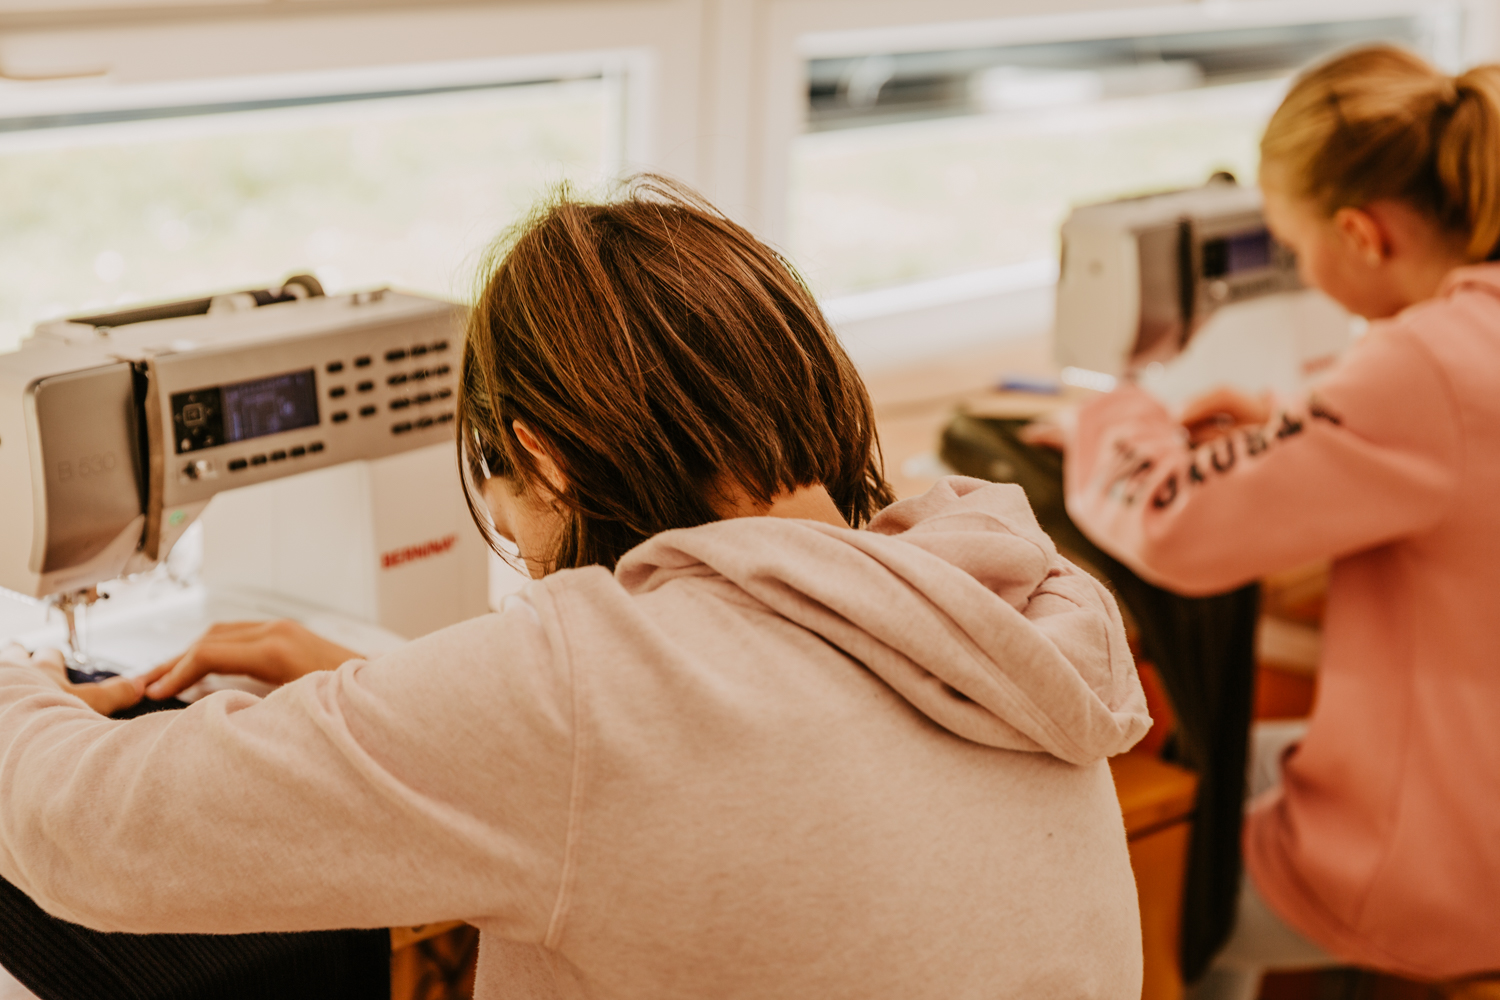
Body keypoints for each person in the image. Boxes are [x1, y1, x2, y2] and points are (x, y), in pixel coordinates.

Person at [0, 178, 1150, 1000]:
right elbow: (727, 772)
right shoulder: (991, 596)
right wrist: (400, 694)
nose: (503, 527)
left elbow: (91, 829)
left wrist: (15, 683)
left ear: (541, 454)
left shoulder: (585, 684)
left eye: (496, 480)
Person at [1059, 46, 1500, 997]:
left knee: (1153, 865)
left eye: (1297, 253)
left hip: (1453, 874)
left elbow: (1176, 524)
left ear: (1361, 234)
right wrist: (1298, 438)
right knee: (1233, 767)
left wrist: (1110, 413)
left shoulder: (1427, 366)